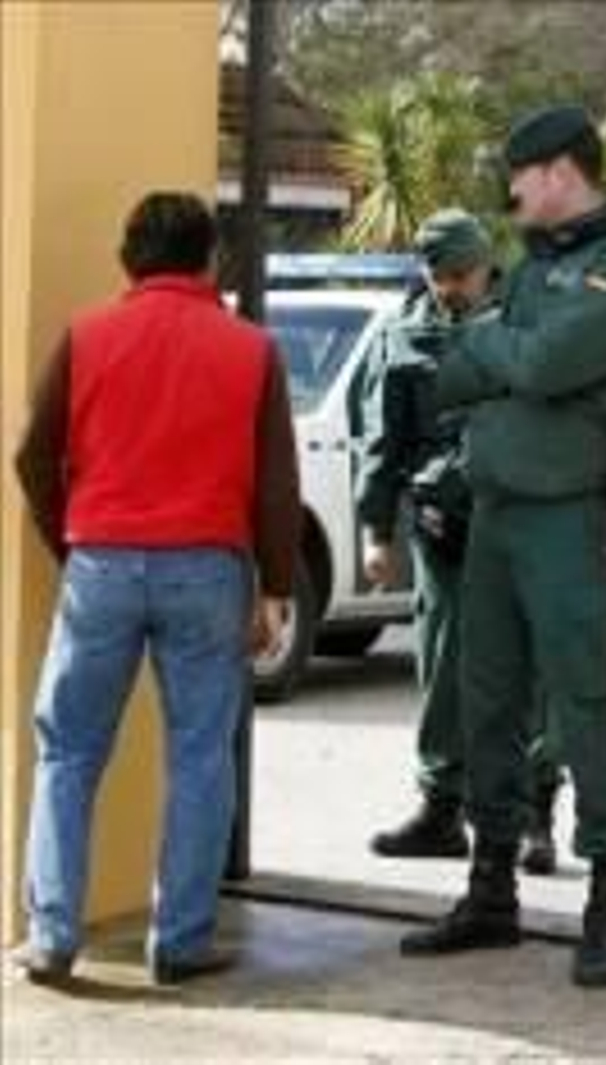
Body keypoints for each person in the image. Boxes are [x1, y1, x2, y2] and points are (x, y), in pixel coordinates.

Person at [398, 105, 606, 990]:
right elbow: (469, 372)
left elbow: (544, 364)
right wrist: (512, 352)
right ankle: (491, 892)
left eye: (518, 176)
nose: (510, 196)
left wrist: (503, 350)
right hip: (499, 514)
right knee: (488, 701)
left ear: (556, 171)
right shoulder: (532, 271)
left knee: (587, 704)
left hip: (573, 519)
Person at [11, 192, 299, 986]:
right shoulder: (251, 349)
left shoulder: (87, 337)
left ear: (126, 259)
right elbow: (276, 483)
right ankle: (179, 941)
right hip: (206, 568)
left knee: (68, 750)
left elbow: (33, 456)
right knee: (202, 753)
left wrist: (72, 541)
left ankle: (53, 934)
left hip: (100, 560)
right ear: (212, 260)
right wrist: (275, 586)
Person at [356, 208, 566, 876]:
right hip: (442, 524)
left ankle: (535, 812)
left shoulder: (530, 321)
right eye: (438, 275)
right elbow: (382, 439)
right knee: (443, 662)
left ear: (485, 267)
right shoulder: (402, 332)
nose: (449, 286)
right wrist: (375, 528)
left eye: (460, 274)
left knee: (527, 669)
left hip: (518, 519)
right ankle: (441, 806)